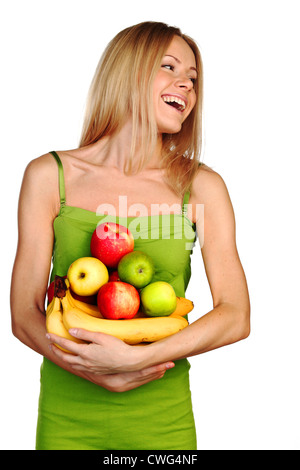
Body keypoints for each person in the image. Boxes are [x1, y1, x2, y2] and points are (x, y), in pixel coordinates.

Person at [10, 21, 250, 450]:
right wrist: (92, 369)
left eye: (193, 79)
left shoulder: (202, 187)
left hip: (163, 419)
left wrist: (137, 358)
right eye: (170, 67)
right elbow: (23, 314)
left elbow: (236, 315)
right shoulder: (50, 177)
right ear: (128, 70)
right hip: (68, 418)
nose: (187, 86)